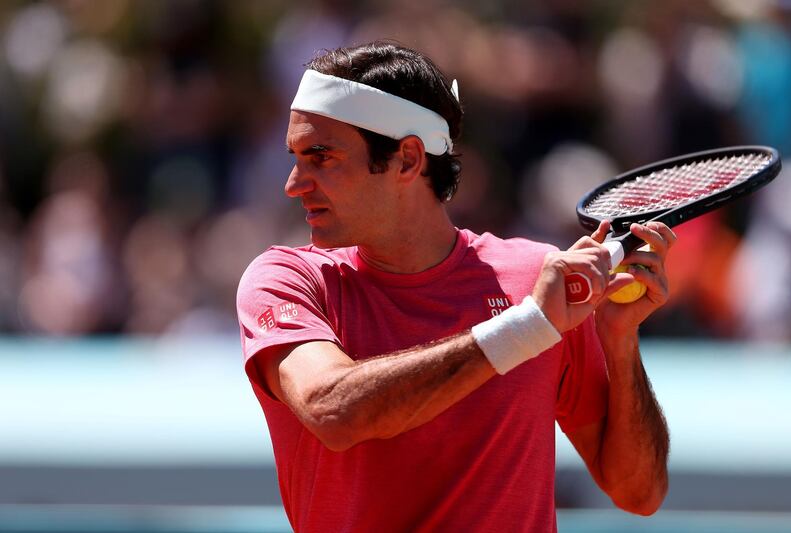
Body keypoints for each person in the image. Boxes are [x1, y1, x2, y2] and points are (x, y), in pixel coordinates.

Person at [237, 41, 672, 532]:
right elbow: (331, 409)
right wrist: (526, 326)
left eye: (322, 157)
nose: (294, 183)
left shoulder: (539, 281)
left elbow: (639, 492)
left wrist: (618, 340)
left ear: (406, 159)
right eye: (296, 157)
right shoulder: (286, 281)